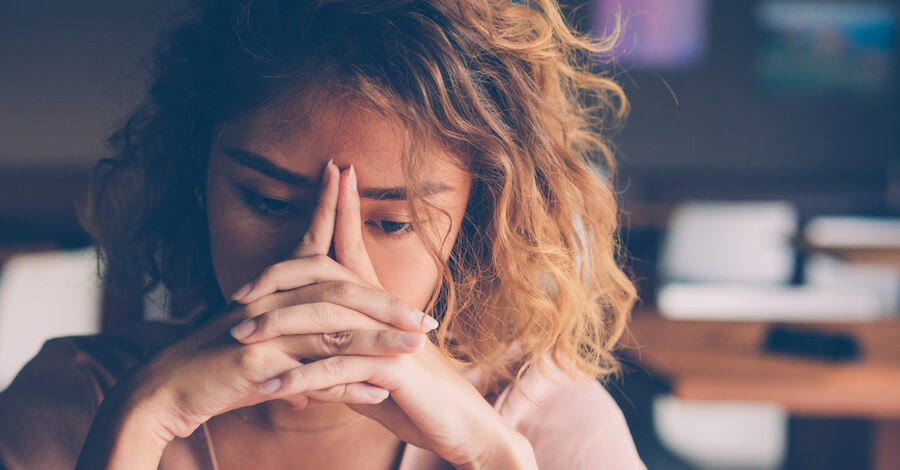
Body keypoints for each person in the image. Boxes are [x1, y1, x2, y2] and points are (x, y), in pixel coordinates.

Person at [0, 0, 643, 468]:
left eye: (393, 222)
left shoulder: (550, 426)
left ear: (476, 222)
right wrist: (137, 427)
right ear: (198, 178)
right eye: (266, 200)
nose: (325, 266)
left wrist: (493, 458)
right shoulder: (72, 404)